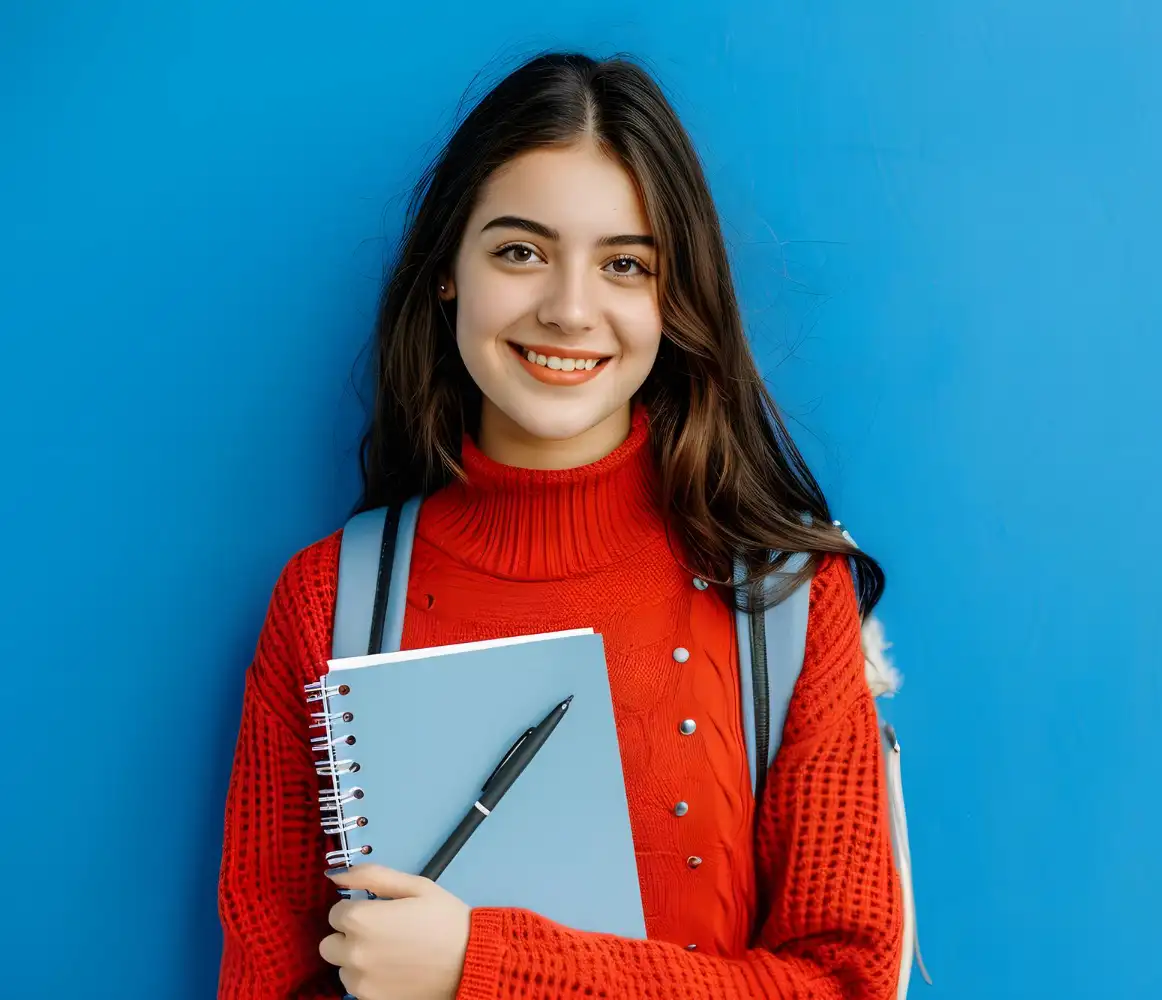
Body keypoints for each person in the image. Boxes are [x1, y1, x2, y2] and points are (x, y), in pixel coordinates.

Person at [216, 51, 902, 1000]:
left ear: (672, 298)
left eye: (625, 264)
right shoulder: (326, 603)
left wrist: (483, 967)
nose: (570, 309)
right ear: (447, 273)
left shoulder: (784, 601)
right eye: (520, 251)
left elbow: (849, 984)